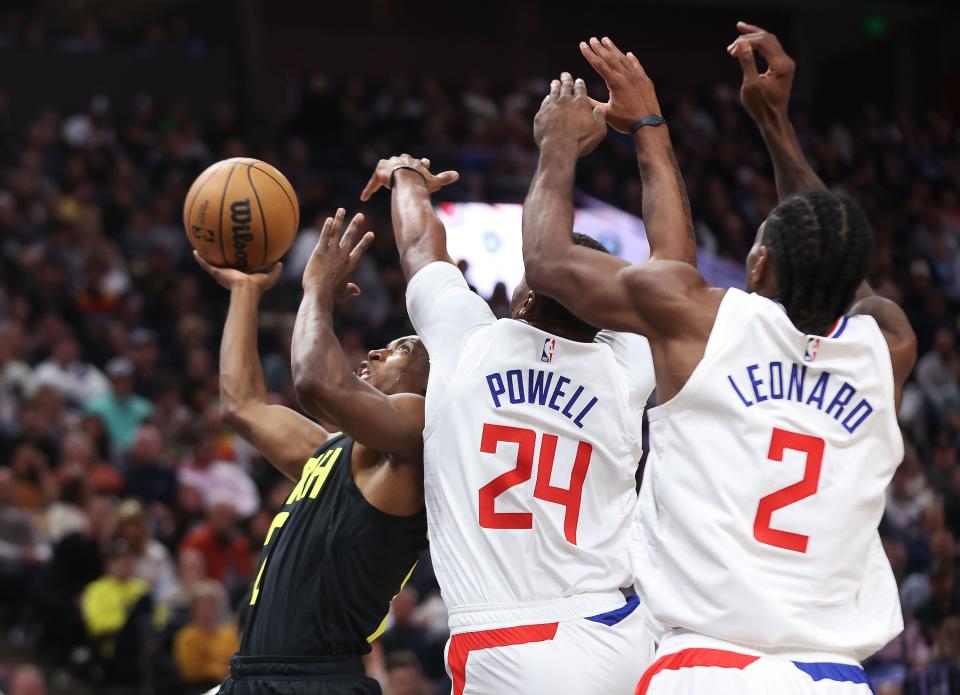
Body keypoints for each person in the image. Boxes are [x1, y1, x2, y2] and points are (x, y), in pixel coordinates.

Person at [520, 31, 917, 694]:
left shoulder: (704, 322)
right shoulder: (888, 348)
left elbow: (548, 263)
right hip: (836, 675)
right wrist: (776, 124)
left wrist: (567, 143)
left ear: (758, 263)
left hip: (710, 666)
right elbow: (837, 252)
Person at [359, 34, 696, 693]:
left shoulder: (464, 341)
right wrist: (649, 126)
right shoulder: (625, 365)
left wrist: (404, 175)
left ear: (531, 290)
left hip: (506, 642)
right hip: (619, 630)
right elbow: (672, 264)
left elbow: (420, 244)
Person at [193, 218, 428, 695]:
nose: (380, 351)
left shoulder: (416, 430)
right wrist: (245, 291)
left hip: (317, 680)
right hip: (250, 675)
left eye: (402, 350)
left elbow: (316, 382)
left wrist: (316, 288)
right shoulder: (330, 452)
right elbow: (243, 406)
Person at [173, 581, 239, 690]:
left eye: (209, 606)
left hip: (227, 686)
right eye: (201, 607)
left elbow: (235, 663)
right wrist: (218, 669)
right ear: (193, 610)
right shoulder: (186, 636)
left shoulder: (229, 634)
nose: (206, 612)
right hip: (196, 688)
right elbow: (190, 670)